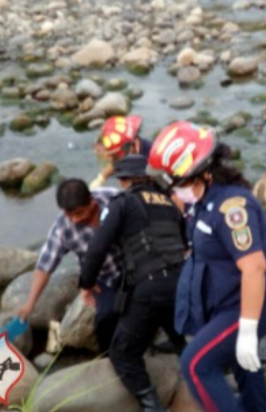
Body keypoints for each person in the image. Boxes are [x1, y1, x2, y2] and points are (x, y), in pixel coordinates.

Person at [148, 121, 266, 412]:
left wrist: (248, 330)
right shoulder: (203, 201)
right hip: (229, 299)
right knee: (241, 361)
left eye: (181, 183)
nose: (178, 191)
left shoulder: (232, 207)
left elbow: (254, 268)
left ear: (203, 173)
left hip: (253, 301)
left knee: (196, 364)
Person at [80, 155, 188, 412]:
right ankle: (185, 356)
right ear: (148, 177)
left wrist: (87, 282)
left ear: (124, 180)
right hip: (180, 281)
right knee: (162, 310)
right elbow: (183, 244)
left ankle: (152, 405)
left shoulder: (123, 203)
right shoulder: (169, 204)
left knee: (122, 354)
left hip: (149, 284)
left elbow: (97, 247)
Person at [17, 179, 121, 352]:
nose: (74, 219)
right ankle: (110, 355)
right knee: (106, 318)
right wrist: (30, 304)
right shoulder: (62, 229)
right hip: (102, 279)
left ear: (92, 202)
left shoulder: (113, 198)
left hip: (135, 266)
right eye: (69, 214)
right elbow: (45, 266)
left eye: (79, 213)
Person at [90, 115, 153, 189]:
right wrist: (100, 179)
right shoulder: (129, 151)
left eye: (112, 156)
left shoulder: (152, 161)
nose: (109, 159)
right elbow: (116, 162)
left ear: (129, 149)